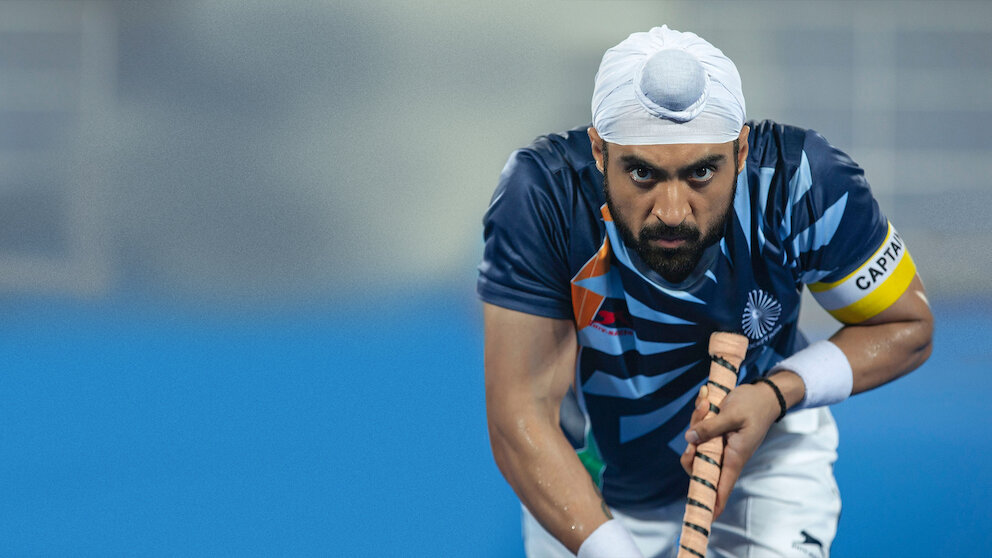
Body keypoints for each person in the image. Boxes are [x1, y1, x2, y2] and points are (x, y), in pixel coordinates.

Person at [477, 25, 934, 558]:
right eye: (642, 173)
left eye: (701, 173)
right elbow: (520, 415)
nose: (673, 212)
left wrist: (775, 394)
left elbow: (907, 325)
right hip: (590, 481)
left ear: (740, 150)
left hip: (766, 455)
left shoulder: (802, 182)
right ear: (599, 152)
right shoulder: (543, 197)